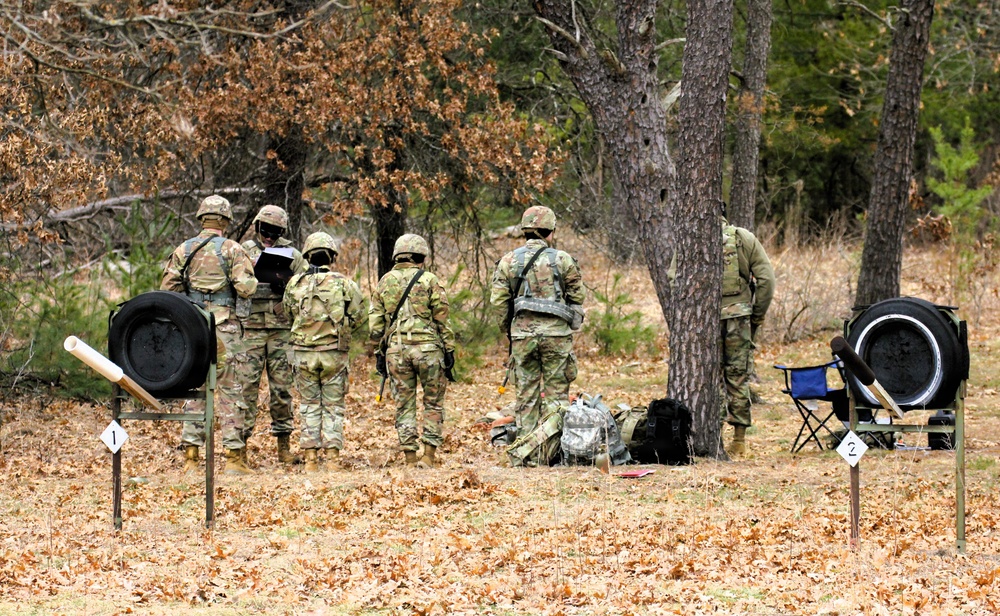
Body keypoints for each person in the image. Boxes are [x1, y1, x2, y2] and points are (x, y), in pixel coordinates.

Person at [161, 194, 258, 475]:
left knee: (195, 389)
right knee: (230, 391)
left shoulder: (184, 249)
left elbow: (168, 287)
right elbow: (246, 288)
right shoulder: (232, 250)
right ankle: (233, 458)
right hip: (225, 328)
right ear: (225, 221)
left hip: (193, 328)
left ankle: (191, 457)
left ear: (202, 218)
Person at [490, 206, 585, 442]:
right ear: (550, 231)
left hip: (523, 336)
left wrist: (509, 331)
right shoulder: (562, 260)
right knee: (556, 394)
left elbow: (499, 302)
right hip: (556, 336)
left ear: (525, 230)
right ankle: (553, 447)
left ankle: (527, 450)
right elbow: (577, 298)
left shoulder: (509, 260)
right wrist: (570, 325)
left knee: (526, 394)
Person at [369, 234, 456, 468]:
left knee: (403, 403)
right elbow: (442, 319)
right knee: (433, 402)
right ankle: (428, 456)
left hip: (397, 351)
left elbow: (375, 324)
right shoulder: (429, 280)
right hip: (428, 350)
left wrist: (380, 351)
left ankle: (409, 457)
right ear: (421, 256)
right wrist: (449, 348)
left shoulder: (385, 281)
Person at [283, 232, 366, 473]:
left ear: (308, 256)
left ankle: (310, 460)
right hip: (333, 354)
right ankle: (332, 460)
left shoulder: (295, 283)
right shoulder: (344, 283)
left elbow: (288, 314)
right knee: (333, 406)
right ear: (332, 256)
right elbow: (359, 315)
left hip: (304, 354)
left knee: (308, 405)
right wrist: (342, 327)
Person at [237, 205, 307, 465]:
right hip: (251, 330)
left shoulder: (293, 255)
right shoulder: (242, 251)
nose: (269, 236)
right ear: (257, 227)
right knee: (246, 391)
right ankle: (239, 449)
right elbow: (232, 283)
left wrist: (287, 286)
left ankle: (284, 447)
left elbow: (306, 287)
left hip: (280, 330)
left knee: (282, 391)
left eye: (275, 232)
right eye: (265, 230)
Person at [720, 207, 774, 456]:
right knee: (738, 375)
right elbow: (766, 280)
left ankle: (711, 433)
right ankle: (739, 440)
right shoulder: (743, 237)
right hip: (739, 318)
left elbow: (673, 278)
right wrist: (757, 315)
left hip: (702, 321)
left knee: (707, 377)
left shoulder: (691, 237)